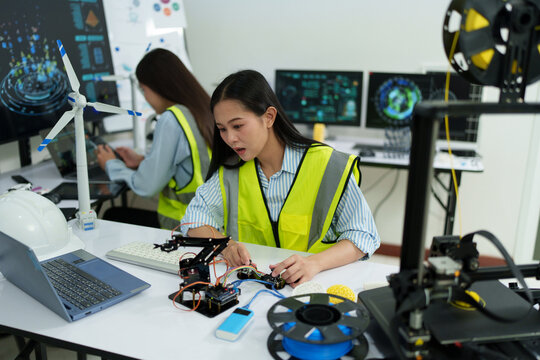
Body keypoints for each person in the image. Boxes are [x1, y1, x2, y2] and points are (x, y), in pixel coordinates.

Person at [180, 70, 380, 287]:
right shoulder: (230, 172)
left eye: (237, 126)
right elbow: (193, 221)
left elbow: (363, 236)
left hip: (314, 287)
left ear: (269, 117)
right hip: (252, 289)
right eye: (222, 129)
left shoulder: (328, 166)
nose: (230, 138)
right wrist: (225, 246)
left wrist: (314, 264)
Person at [96, 48, 214, 230]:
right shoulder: (202, 108)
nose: (146, 98)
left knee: (111, 215)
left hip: (184, 226)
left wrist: (112, 164)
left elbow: (146, 186)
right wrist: (143, 161)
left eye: (144, 90)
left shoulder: (172, 119)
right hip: (211, 223)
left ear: (158, 86)